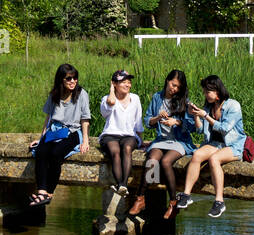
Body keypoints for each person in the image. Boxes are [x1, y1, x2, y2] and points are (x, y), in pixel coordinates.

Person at [129, 69, 196, 219]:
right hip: (161, 140)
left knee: (165, 162)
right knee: (152, 160)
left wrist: (177, 122)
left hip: (179, 141)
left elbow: (192, 126)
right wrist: (158, 117)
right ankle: (140, 199)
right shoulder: (156, 98)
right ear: (167, 81)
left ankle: (173, 203)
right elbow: (148, 122)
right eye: (173, 85)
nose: (174, 89)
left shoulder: (183, 101)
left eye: (178, 87)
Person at [180, 75, 246, 219]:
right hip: (215, 144)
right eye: (204, 91)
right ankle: (186, 195)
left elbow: (225, 128)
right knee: (197, 155)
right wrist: (196, 115)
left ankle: (219, 201)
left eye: (207, 91)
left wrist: (206, 116)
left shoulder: (233, 105)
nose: (205, 94)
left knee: (214, 159)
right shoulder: (208, 107)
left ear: (216, 90)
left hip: (233, 145)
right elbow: (199, 130)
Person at [28, 63, 90, 207]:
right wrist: (41, 137)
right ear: (61, 79)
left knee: (56, 153)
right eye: (69, 79)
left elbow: (85, 119)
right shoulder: (54, 94)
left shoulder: (81, 94)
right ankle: (41, 192)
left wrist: (85, 141)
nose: (73, 81)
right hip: (54, 131)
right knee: (41, 151)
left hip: (72, 131)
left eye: (75, 78)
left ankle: (49, 192)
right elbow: (48, 118)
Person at [99, 70, 144, 202]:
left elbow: (138, 121)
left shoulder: (135, 98)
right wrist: (111, 90)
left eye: (129, 82)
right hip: (110, 134)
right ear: (114, 84)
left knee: (127, 148)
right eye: (123, 82)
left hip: (129, 135)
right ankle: (121, 184)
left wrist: (141, 139)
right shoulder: (107, 99)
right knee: (115, 151)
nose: (127, 85)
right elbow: (110, 105)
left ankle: (122, 184)